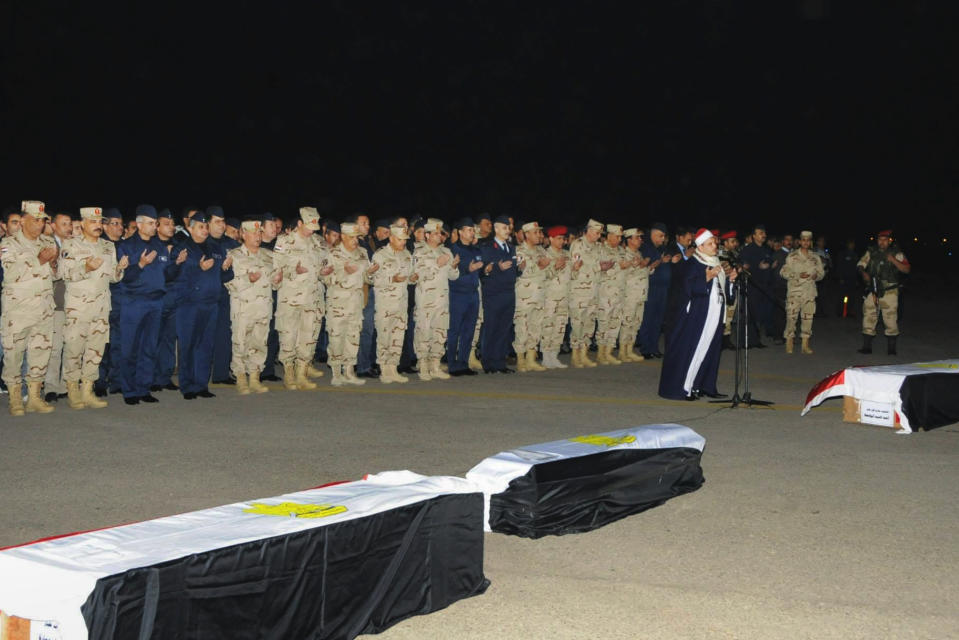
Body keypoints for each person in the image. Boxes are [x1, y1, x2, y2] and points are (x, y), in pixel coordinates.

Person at [59, 207, 128, 409]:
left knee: (95, 351)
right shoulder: (70, 245)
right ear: (82, 224)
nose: (98, 226)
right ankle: (72, 390)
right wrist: (86, 268)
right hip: (78, 308)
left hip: (100, 307)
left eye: (100, 222)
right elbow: (65, 273)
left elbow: (112, 278)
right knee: (73, 349)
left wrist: (119, 269)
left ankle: (87, 390)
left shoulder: (108, 247)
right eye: (93, 222)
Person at [658, 229, 737, 401]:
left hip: (715, 315)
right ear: (700, 246)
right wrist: (706, 279)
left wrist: (730, 280)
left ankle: (701, 385)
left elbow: (725, 295)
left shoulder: (716, 262)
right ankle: (685, 388)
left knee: (709, 350)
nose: (715, 246)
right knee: (694, 350)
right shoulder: (692, 264)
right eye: (710, 244)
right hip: (698, 316)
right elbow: (686, 290)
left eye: (715, 243)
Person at [1, 200, 58, 416]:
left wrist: (53, 264)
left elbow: (56, 275)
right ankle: (15, 398)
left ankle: (34, 397)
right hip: (18, 310)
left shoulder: (47, 241)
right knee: (13, 354)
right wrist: (39, 260)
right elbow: (11, 273)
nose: (40, 225)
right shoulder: (9, 243)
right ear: (23, 220)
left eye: (43, 221)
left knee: (40, 353)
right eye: (35, 220)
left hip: (43, 308)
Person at [171, 211, 233, 400]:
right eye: (200, 226)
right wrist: (197, 268)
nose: (205, 230)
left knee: (205, 346)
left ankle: (201, 384)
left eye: (206, 227)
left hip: (211, 304)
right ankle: (187, 386)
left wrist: (225, 269)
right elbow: (172, 276)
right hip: (189, 305)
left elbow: (225, 277)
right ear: (190, 228)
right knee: (188, 345)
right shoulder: (181, 249)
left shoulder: (216, 248)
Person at [273, 207, 332, 390]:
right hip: (290, 299)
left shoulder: (319, 243)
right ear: (299, 223)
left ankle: (302, 373)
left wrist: (325, 273)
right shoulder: (285, 241)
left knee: (309, 337)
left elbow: (324, 269)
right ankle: (289, 373)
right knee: (289, 335)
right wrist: (293, 271)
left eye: (314, 227)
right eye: (308, 227)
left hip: (313, 299)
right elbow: (276, 271)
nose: (311, 231)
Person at [225, 219, 280, 394]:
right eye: (253, 233)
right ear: (243, 235)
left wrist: (277, 281)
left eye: (259, 233)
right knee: (240, 343)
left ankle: (255, 378)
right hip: (243, 308)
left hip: (263, 308)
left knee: (259, 343)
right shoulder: (234, 255)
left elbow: (274, 283)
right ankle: (241, 378)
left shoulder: (269, 255)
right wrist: (247, 280)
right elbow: (228, 283)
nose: (257, 236)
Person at [326, 222, 375, 386]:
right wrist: (342, 273)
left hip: (356, 304)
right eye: (352, 237)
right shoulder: (333, 253)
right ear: (343, 237)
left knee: (352, 338)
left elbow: (367, 279)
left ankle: (349, 372)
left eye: (357, 237)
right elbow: (325, 278)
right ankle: (336, 373)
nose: (355, 240)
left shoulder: (362, 253)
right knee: (336, 338)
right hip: (338, 305)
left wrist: (371, 273)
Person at [413, 218, 460, 380]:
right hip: (425, 301)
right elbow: (416, 276)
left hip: (442, 301)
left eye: (441, 233)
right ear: (426, 235)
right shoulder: (419, 252)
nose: (440, 236)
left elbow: (453, 277)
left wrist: (453, 267)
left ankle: (435, 364)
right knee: (424, 332)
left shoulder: (446, 252)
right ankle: (423, 365)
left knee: (440, 333)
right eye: (435, 233)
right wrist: (436, 264)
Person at [371, 225, 416, 383]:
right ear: (391, 238)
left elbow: (409, 276)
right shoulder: (380, 255)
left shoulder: (407, 255)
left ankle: (393, 368)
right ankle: (384, 369)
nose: (403, 242)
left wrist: (413, 278)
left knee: (398, 337)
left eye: (405, 239)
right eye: (400, 239)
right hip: (385, 304)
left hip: (401, 304)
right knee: (384, 337)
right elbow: (373, 280)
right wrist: (392, 279)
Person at [857, 229, 910, 355]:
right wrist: (863, 273)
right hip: (873, 289)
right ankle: (866, 347)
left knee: (890, 318)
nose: (882, 242)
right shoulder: (871, 252)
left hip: (889, 290)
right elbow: (860, 264)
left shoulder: (897, 253)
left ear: (889, 241)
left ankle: (891, 349)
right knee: (869, 315)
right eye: (880, 239)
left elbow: (907, 269)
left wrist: (893, 260)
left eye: (885, 240)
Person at [479, 215, 518, 373]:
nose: (507, 230)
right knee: (491, 327)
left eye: (508, 228)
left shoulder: (511, 247)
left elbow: (514, 270)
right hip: (493, 293)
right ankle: (488, 363)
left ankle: (499, 362)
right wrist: (496, 268)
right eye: (504, 227)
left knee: (504, 328)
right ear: (496, 229)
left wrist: (520, 268)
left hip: (509, 292)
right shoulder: (487, 247)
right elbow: (483, 270)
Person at [207, 206, 241, 385]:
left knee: (223, 336)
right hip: (204, 297)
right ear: (208, 223)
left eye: (223, 222)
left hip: (225, 296)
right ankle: (199, 375)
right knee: (203, 337)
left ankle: (220, 374)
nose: (221, 225)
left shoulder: (231, 245)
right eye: (217, 222)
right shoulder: (201, 243)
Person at [95, 208, 126, 395]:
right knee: (101, 344)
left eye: (121, 224)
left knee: (118, 343)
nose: (119, 228)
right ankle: (99, 381)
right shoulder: (100, 246)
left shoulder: (125, 245)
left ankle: (116, 380)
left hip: (123, 301)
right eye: (115, 224)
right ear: (104, 226)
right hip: (103, 300)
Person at [447, 217, 483, 375]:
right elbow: (451, 273)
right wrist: (468, 269)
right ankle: (452, 364)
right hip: (458, 294)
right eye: (469, 229)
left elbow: (481, 271)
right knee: (454, 330)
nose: (472, 232)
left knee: (469, 330)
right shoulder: (452, 249)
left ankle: (463, 363)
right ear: (460, 232)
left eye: (473, 230)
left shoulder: (477, 250)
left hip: (473, 294)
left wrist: (486, 270)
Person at [567, 219, 605, 368]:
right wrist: (598, 267)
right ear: (588, 230)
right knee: (577, 323)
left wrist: (604, 267)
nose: (599, 235)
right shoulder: (577, 245)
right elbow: (576, 268)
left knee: (589, 323)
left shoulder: (598, 247)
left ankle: (584, 353)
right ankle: (575, 355)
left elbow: (600, 265)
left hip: (594, 292)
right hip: (579, 292)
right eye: (597, 232)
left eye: (600, 233)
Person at [513, 221, 550, 372]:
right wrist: (539, 266)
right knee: (522, 327)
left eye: (540, 232)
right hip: (525, 297)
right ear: (527, 234)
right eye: (536, 232)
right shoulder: (519, 251)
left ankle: (531, 358)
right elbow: (521, 271)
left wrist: (555, 267)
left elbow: (549, 272)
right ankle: (520, 359)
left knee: (536, 327)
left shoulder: (542, 250)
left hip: (540, 295)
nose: (539, 235)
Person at [44, 211, 73, 401]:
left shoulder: (75, 245)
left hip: (74, 303)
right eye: (64, 224)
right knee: (54, 348)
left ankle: (65, 384)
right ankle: (51, 387)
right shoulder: (47, 245)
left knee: (70, 346)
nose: (69, 227)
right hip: (55, 303)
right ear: (53, 226)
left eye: (70, 223)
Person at [638, 222, 678, 358]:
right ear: (653, 234)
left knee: (658, 319)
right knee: (648, 318)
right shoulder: (645, 247)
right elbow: (646, 266)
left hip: (663, 288)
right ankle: (645, 348)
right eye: (660, 236)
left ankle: (654, 347)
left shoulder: (662, 248)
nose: (662, 239)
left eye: (663, 236)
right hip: (651, 287)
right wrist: (661, 261)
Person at [780, 230, 824, 354]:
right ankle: (789, 341)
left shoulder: (815, 257)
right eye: (803, 240)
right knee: (791, 318)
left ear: (810, 242)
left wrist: (818, 276)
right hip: (795, 292)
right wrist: (798, 275)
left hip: (809, 293)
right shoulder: (792, 256)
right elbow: (783, 272)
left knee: (808, 319)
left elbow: (821, 273)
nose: (806, 242)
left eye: (808, 240)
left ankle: (805, 344)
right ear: (799, 242)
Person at [595, 224, 629, 365]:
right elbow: (599, 271)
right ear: (608, 236)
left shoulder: (622, 251)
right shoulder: (601, 250)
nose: (619, 239)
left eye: (621, 237)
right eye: (617, 236)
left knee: (615, 323)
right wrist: (617, 268)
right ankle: (601, 353)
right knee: (604, 322)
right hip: (606, 294)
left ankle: (609, 351)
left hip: (620, 293)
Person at [738, 224, 775, 348]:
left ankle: (755, 340)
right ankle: (745, 341)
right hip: (751, 286)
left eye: (764, 233)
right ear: (754, 236)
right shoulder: (747, 250)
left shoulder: (766, 249)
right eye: (760, 233)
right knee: (749, 314)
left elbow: (769, 262)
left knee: (759, 315)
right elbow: (743, 267)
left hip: (764, 286)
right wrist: (757, 267)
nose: (763, 235)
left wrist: (770, 266)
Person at [541, 225, 571, 369]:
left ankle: (554, 355)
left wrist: (576, 269)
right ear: (551, 239)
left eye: (563, 239)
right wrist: (555, 267)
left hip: (564, 297)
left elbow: (572, 276)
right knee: (548, 326)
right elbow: (542, 276)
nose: (561, 241)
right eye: (558, 238)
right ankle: (546, 356)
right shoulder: (545, 255)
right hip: (550, 297)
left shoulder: (567, 254)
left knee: (560, 327)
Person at [618, 228, 649, 362]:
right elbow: (621, 274)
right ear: (629, 239)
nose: (640, 240)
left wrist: (649, 267)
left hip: (640, 294)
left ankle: (629, 350)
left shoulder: (639, 253)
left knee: (636, 323)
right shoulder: (624, 254)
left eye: (640, 237)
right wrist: (635, 265)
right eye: (637, 237)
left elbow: (642, 272)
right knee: (627, 322)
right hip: (629, 295)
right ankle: (622, 352)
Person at [718, 230, 740, 350]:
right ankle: (720, 339)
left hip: (732, 286)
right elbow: (724, 270)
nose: (734, 243)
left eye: (735, 241)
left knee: (730, 314)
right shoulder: (720, 254)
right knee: (723, 314)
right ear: (725, 242)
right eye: (732, 241)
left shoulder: (733, 254)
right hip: (723, 288)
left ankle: (727, 338)